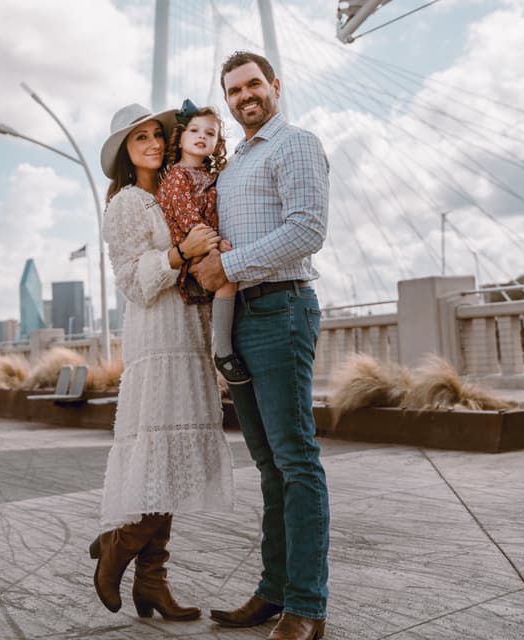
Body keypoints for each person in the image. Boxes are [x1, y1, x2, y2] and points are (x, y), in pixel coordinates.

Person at [191, 51, 330, 640]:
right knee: (269, 466)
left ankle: (307, 606)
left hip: (281, 308)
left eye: (253, 85)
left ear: (275, 85)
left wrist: (228, 264)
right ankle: (273, 592)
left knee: (297, 461)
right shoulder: (237, 160)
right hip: (240, 317)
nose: (244, 96)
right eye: (234, 90)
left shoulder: (294, 144)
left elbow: (307, 229)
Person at [91, 103, 234, 622]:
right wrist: (179, 253)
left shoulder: (177, 187)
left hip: (189, 336)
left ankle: (152, 582)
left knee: (171, 462)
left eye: (157, 135)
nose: (152, 143)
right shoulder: (128, 204)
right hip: (156, 339)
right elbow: (131, 281)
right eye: (140, 139)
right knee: (158, 454)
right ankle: (118, 546)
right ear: (126, 155)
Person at [157, 98, 251, 385]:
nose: (202, 137)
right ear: (181, 137)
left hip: (208, 246)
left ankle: (225, 347)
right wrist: (216, 245)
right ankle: (222, 351)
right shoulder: (177, 177)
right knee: (228, 278)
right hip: (194, 254)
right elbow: (190, 223)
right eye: (195, 131)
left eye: (210, 134)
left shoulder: (211, 176)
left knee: (232, 279)